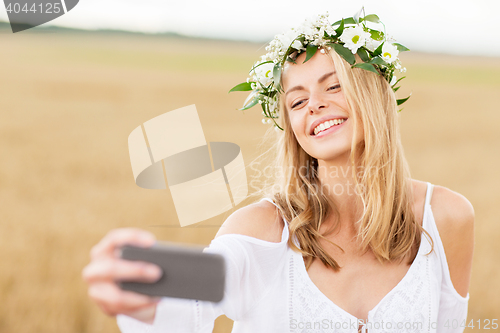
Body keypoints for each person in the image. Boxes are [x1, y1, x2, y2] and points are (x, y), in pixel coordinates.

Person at [82, 10, 474, 333]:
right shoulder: (263, 230)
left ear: (374, 94)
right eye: (297, 100)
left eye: (333, 86)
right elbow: (195, 301)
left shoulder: (447, 218)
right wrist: (145, 288)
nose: (313, 106)